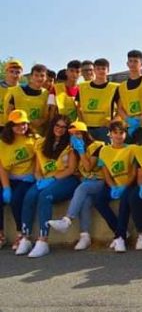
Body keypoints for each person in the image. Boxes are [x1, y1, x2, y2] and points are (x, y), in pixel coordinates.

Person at [16, 116, 80, 257]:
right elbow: (38, 169)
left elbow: (70, 169)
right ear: (52, 126)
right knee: (30, 195)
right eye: (57, 125)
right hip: (45, 179)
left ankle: (43, 240)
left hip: (67, 179)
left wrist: (52, 179)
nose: (60, 129)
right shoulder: (41, 143)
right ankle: (25, 238)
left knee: (45, 196)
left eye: (64, 127)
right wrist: (39, 180)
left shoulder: (70, 145)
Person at [45, 121, 112, 251]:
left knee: (83, 188)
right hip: (88, 182)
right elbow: (76, 171)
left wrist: (81, 151)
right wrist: (82, 176)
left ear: (84, 134)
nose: (75, 137)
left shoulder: (98, 146)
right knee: (85, 200)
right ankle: (84, 235)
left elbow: (88, 166)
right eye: (71, 135)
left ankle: (67, 220)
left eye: (77, 134)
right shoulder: (72, 151)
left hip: (102, 182)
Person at [0, 110, 39, 249]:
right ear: (10, 126)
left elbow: (38, 160)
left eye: (24, 123)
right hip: (9, 178)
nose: (21, 127)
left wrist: (34, 175)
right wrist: (6, 187)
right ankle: (1, 235)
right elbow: (2, 167)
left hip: (27, 179)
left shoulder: (34, 138)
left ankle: (20, 234)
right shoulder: (2, 143)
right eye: (17, 124)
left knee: (17, 200)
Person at [99, 120, 136, 252]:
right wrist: (112, 186)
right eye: (115, 133)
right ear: (110, 134)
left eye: (122, 133)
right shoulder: (104, 150)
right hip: (113, 184)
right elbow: (106, 172)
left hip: (128, 184)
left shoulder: (131, 149)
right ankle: (120, 230)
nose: (119, 136)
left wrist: (124, 186)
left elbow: (133, 173)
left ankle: (120, 238)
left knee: (124, 202)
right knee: (99, 200)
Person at [115, 50, 142, 138]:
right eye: (130, 61)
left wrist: (139, 121)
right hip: (129, 126)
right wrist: (128, 120)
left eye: (135, 61)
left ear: (141, 64)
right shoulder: (121, 86)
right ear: (127, 63)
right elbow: (119, 108)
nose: (133, 64)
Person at [76, 58, 119, 143]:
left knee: (105, 154)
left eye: (103, 68)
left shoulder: (114, 87)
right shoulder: (82, 86)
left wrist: (113, 122)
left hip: (104, 129)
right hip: (86, 127)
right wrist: (82, 123)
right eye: (98, 69)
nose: (101, 71)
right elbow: (78, 106)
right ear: (94, 70)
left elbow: (121, 107)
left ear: (108, 70)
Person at [5, 64, 50, 133]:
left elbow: (48, 115)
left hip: (37, 134)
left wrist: (41, 121)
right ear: (31, 77)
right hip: (18, 132)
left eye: (42, 75)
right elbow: (8, 112)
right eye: (36, 75)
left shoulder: (47, 94)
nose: (39, 78)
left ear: (46, 77)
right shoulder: (15, 91)